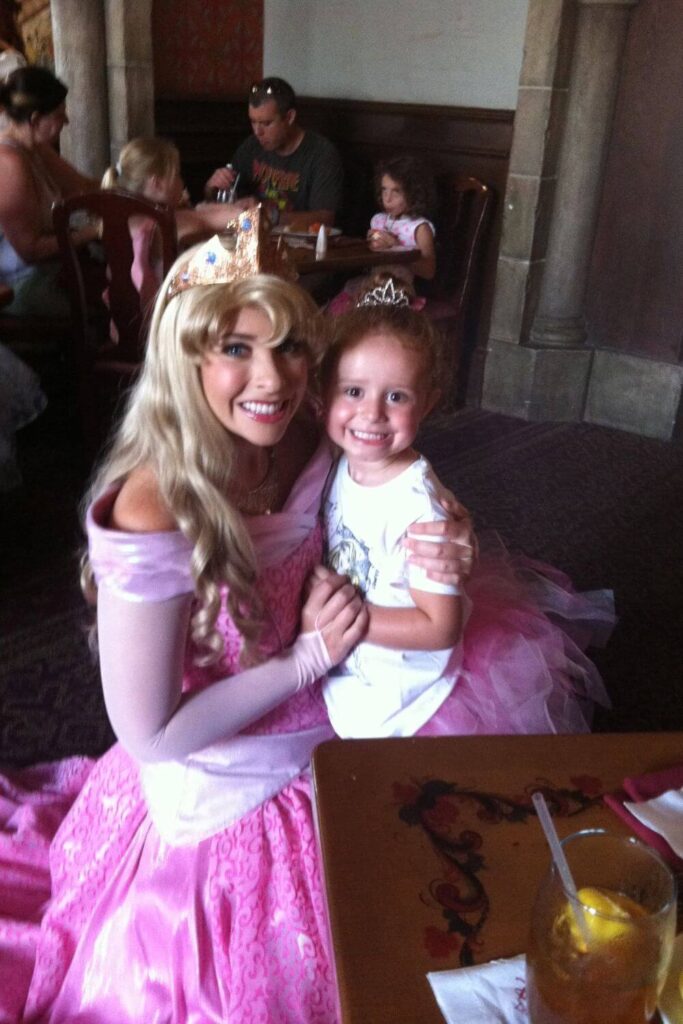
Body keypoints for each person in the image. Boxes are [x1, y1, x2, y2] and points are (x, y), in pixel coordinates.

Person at [0, 209, 474, 1023]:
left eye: (290, 346)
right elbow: (149, 734)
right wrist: (303, 659)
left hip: (336, 701)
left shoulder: (295, 435)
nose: (274, 380)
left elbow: (382, 479)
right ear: (184, 359)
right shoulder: (156, 508)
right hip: (218, 756)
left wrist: (447, 532)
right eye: (235, 349)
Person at [319, 276, 616, 739]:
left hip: (411, 692)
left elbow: (439, 627)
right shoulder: (342, 459)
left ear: (428, 403)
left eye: (396, 396)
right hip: (361, 660)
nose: (371, 413)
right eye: (353, 391)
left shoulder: (419, 509)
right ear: (325, 394)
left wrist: (344, 622)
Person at [102, 135, 256, 310]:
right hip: (161, 325)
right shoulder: (165, 222)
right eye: (177, 175)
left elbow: (198, 214)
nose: (182, 183)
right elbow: (243, 219)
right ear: (157, 184)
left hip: (122, 324)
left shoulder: (120, 216)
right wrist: (245, 210)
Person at [0, 65, 99, 318]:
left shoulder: (36, 147)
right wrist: (92, 232)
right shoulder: (9, 162)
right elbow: (30, 250)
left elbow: (84, 188)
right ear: (34, 120)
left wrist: (131, 187)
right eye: (59, 114)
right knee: (106, 306)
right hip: (23, 284)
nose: (66, 121)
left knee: (114, 279)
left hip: (54, 267)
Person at [206, 77, 343, 228]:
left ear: (290, 117)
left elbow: (326, 219)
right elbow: (224, 199)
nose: (258, 132)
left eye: (266, 123)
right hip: (253, 239)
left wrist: (269, 216)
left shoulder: (321, 154)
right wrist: (212, 188)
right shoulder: (251, 146)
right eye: (253, 122)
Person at [327, 154, 436, 315]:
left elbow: (428, 270)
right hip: (373, 282)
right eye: (384, 190)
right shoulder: (379, 220)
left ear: (414, 194)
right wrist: (369, 244)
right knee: (342, 305)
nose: (387, 198)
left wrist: (395, 247)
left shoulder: (419, 228)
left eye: (396, 192)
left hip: (398, 291)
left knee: (360, 312)